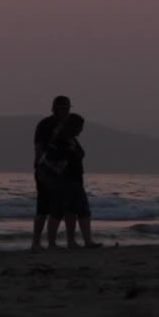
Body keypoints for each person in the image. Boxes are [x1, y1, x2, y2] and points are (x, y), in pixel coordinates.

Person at [32, 98, 101, 251]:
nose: (64, 110)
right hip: (50, 175)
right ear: (54, 108)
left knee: (73, 209)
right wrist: (41, 170)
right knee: (45, 208)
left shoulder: (70, 135)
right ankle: (38, 243)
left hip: (70, 178)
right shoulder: (47, 125)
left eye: (66, 108)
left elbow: (79, 154)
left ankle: (71, 241)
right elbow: (40, 149)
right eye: (61, 108)